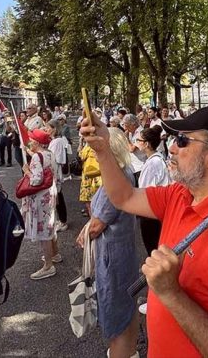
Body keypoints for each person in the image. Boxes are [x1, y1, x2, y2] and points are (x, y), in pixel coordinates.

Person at [80, 105, 208, 357]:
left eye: (183, 141)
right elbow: (124, 197)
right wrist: (103, 150)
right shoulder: (181, 194)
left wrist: (171, 293)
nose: (172, 147)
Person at [77, 127, 141, 358]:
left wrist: (84, 234)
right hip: (123, 250)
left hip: (112, 254)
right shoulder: (125, 170)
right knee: (127, 303)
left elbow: (97, 224)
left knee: (115, 310)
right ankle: (129, 351)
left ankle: (121, 353)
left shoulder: (116, 177)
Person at [21, 129, 60, 280]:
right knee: (50, 225)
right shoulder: (49, 153)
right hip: (50, 194)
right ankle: (55, 254)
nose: (29, 142)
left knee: (43, 229)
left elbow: (36, 180)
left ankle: (48, 266)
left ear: (36, 142)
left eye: (30, 140)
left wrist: (27, 172)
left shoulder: (37, 157)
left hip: (40, 198)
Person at [136, 125, 171, 259]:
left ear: (147, 144)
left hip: (151, 211)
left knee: (152, 245)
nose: (137, 143)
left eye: (139, 140)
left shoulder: (153, 164)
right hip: (154, 210)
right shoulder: (155, 159)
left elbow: (146, 190)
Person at [46, 119, 70, 232]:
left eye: (48, 128)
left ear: (54, 129)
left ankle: (63, 221)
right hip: (54, 172)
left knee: (58, 197)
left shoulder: (57, 142)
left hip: (55, 172)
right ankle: (61, 220)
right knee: (57, 197)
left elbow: (56, 159)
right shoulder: (56, 141)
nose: (46, 130)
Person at [123, 114, 146, 181]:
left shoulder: (141, 132)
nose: (125, 128)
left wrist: (127, 138)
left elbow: (131, 149)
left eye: (127, 126)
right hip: (132, 166)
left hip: (139, 167)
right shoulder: (130, 132)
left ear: (134, 124)